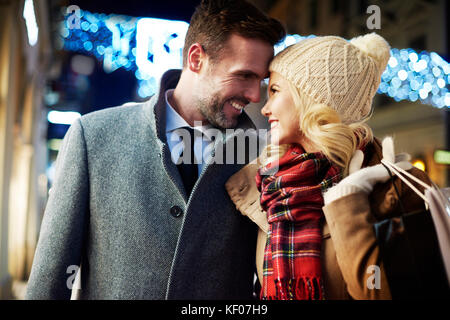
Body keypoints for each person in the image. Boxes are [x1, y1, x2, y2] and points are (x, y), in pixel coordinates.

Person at [26, 0, 285, 299]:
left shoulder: (261, 154)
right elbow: (50, 280)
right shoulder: (93, 137)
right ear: (196, 58)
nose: (255, 95)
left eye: (261, 80)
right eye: (244, 76)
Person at [225, 33, 431, 299]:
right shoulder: (270, 185)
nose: (265, 108)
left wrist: (348, 201)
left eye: (275, 91)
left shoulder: (399, 186)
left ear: (314, 99)